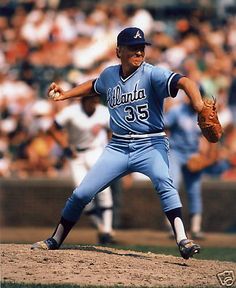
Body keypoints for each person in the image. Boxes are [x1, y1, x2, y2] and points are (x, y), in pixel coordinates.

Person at [31, 26, 216, 260]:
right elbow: (93, 85)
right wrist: (66, 94)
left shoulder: (152, 74)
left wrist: (199, 105)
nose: (139, 51)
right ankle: (55, 239)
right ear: (119, 51)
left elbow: (186, 82)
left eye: (142, 47)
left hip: (151, 144)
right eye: (133, 48)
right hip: (117, 147)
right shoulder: (109, 75)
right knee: (81, 194)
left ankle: (183, 239)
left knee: (163, 181)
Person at [46, 95, 115, 244]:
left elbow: (114, 131)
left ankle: (108, 231)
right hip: (76, 154)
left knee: (104, 190)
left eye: (96, 99)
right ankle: (100, 227)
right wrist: (64, 147)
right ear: (83, 100)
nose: (94, 102)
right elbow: (52, 129)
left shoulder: (104, 112)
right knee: (80, 194)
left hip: (97, 151)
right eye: (91, 99)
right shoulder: (71, 112)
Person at [164, 96, 217, 240]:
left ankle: (195, 228)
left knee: (194, 189)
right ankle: (173, 226)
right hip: (175, 151)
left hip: (193, 153)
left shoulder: (203, 113)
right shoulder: (177, 111)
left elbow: (209, 138)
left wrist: (204, 156)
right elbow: (164, 126)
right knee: (172, 185)